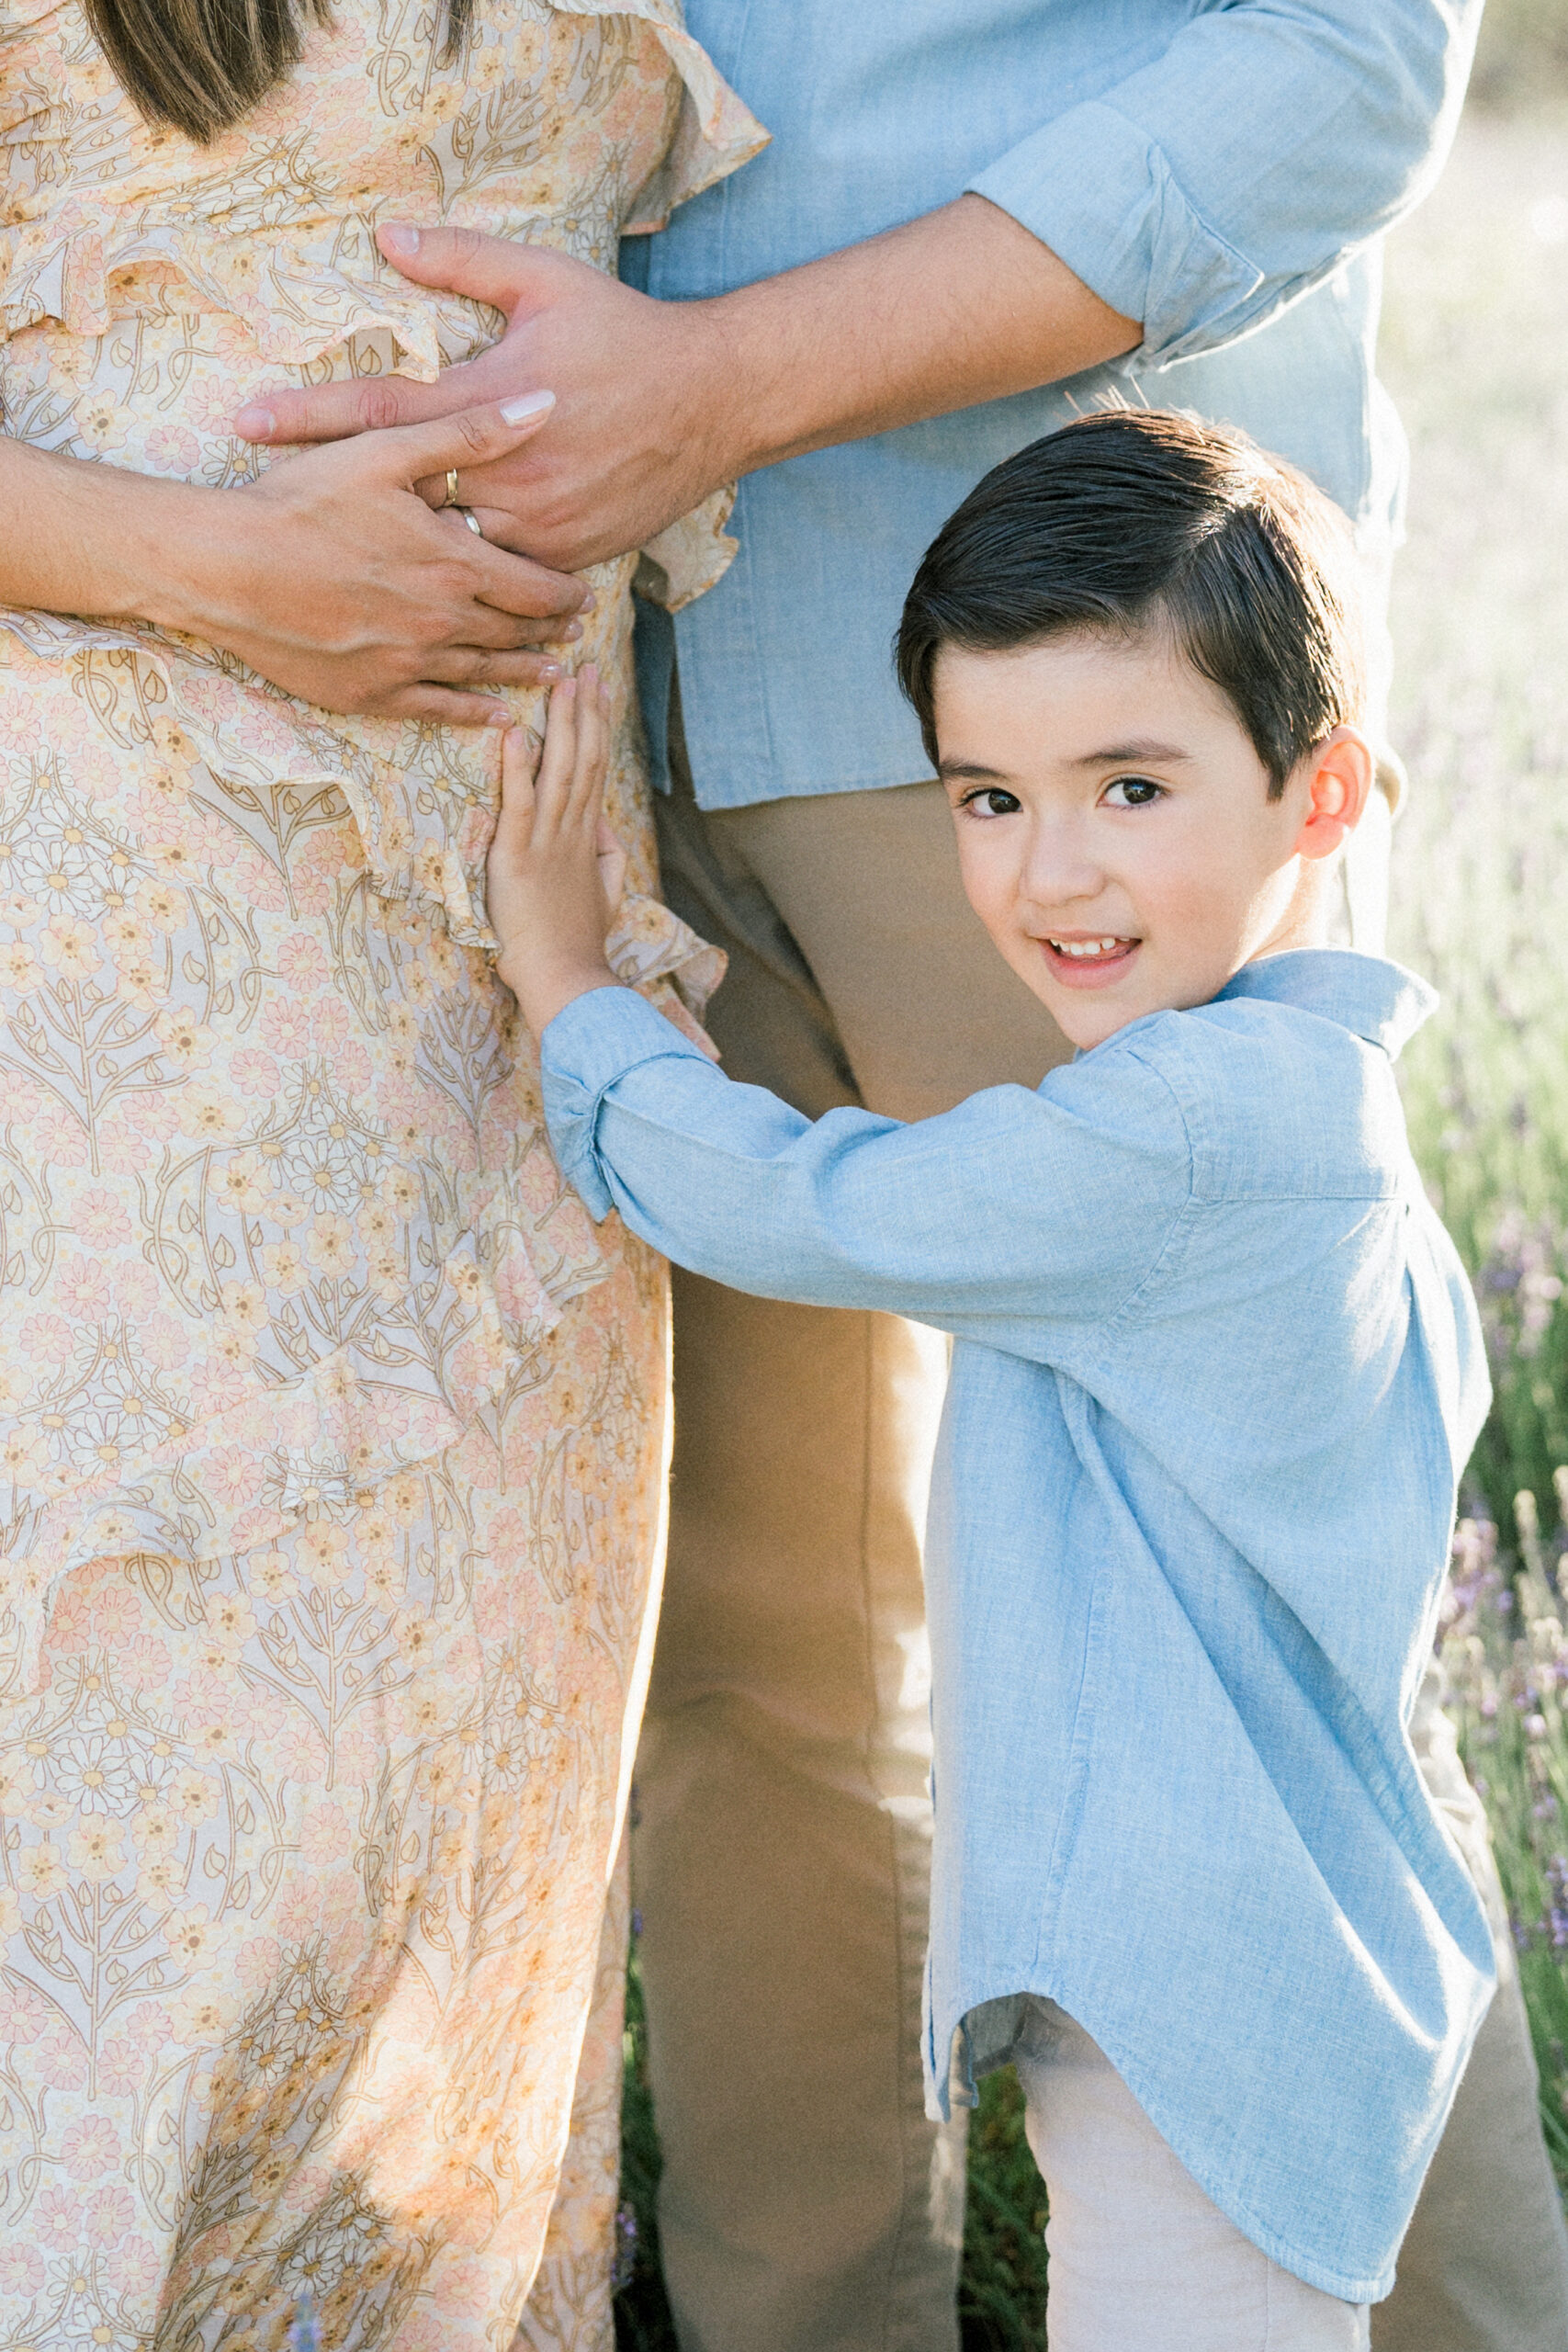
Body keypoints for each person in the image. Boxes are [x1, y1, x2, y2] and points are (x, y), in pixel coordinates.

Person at [242, 6, 1568, 2346]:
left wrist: (724, 379)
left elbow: (1353, 60)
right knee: (749, 1675)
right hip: (568, 687)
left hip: (1071, 704)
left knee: (1255, 1643)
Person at [483, 407, 1501, 2351]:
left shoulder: (1188, 1138)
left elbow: (817, 1209)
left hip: (1201, 1979)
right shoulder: (1294, 1086)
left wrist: (570, 998)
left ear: (1321, 795)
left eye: (1128, 785)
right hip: (1240, 1957)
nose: (1050, 872)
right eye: (982, 796)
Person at [0, 2, 761, 2346]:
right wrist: (217, 569)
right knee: (130, 1847)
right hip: (135, 981)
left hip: (505, 987)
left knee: (440, 1869)